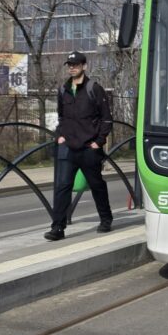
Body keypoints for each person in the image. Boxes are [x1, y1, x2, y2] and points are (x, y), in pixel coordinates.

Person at [44, 51, 114, 241]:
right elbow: (61, 117)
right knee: (63, 186)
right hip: (67, 146)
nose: (72, 67)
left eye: (75, 64)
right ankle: (58, 227)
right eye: (70, 65)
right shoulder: (63, 89)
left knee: (96, 184)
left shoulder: (94, 88)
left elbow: (106, 119)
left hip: (88, 148)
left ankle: (106, 219)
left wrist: (98, 142)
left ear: (84, 66)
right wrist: (59, 136)